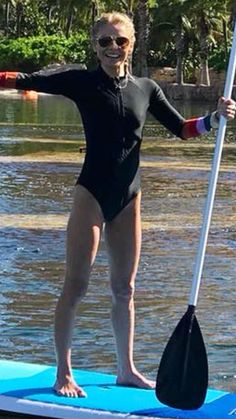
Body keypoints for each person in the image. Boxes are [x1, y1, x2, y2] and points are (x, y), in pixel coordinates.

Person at [0, 11, 235, 399]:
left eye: (120, 40)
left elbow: (181, 130)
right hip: (91, 194)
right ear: (95, 46)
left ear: (132, 44)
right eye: (105, 41)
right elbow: (26, 80)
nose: (113, 47)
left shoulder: (146, 88)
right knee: (75, 286)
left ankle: (126, 369)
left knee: (124, 289)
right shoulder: (82, 81)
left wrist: (213, 118)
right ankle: (64, 372)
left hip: (129, 198)